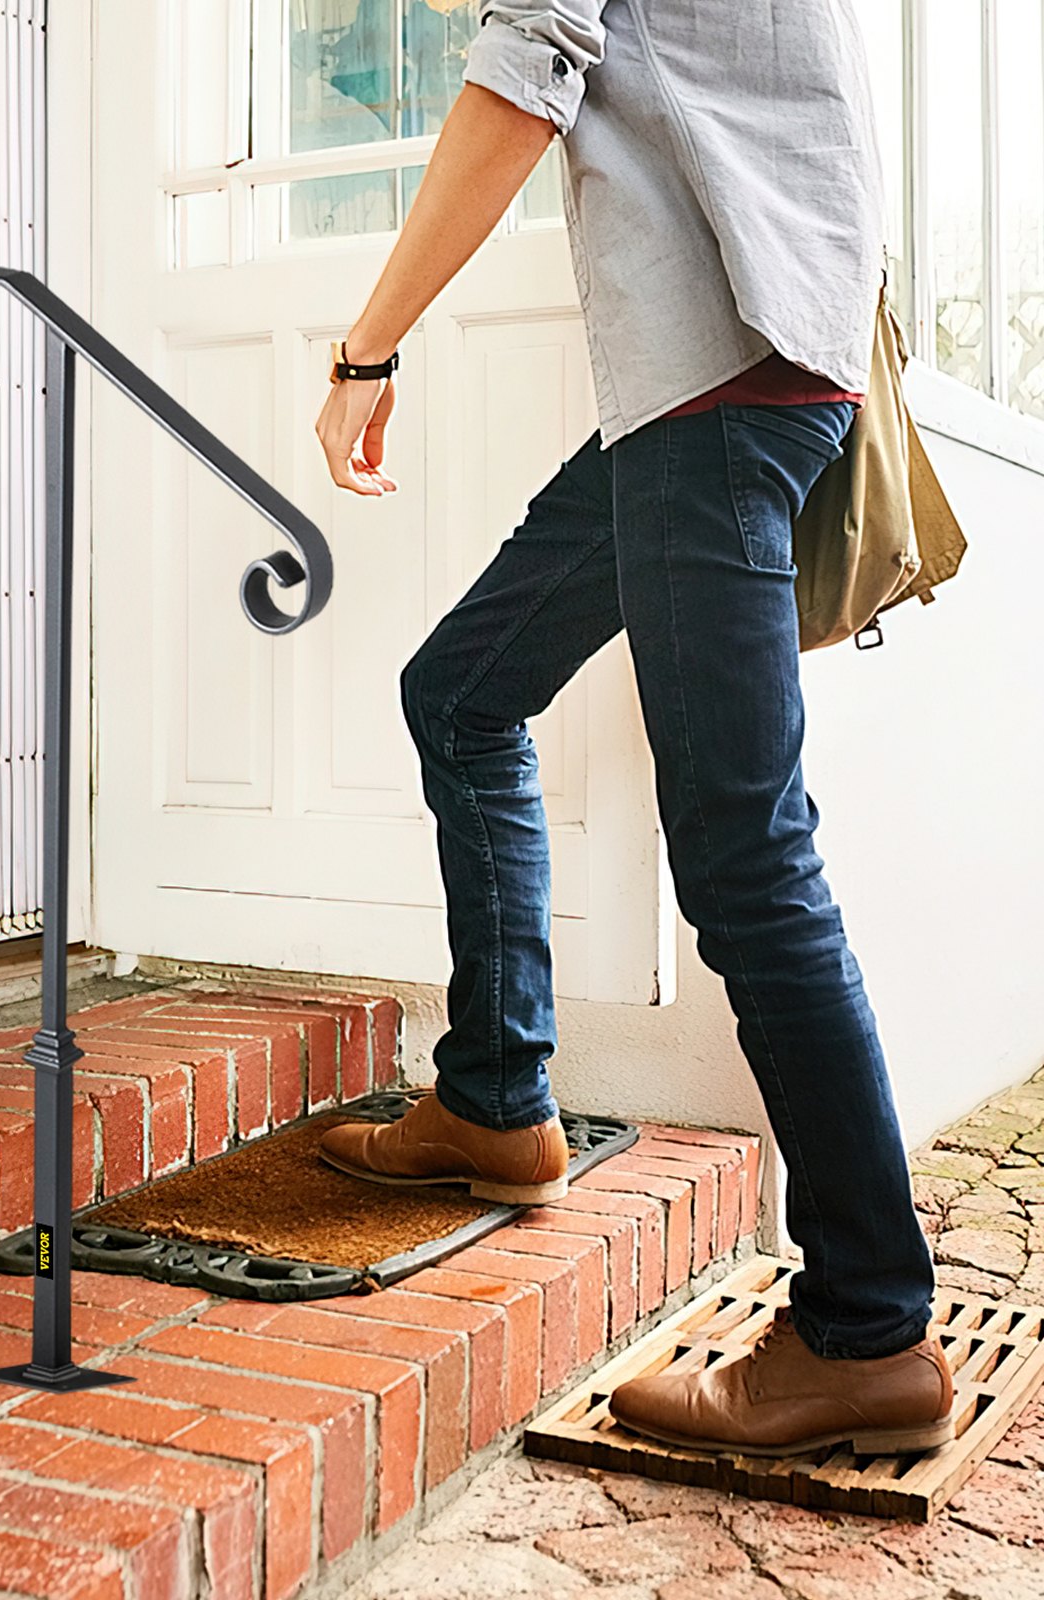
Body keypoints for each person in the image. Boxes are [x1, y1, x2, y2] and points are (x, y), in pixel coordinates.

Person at [313, 0, 953, 1459]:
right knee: (461, 693)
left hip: (714, 387)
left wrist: (368, 351)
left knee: (742, 856)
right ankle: (494, 1098)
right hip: (726, 375)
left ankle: (869, 1327)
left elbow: (523, 69)